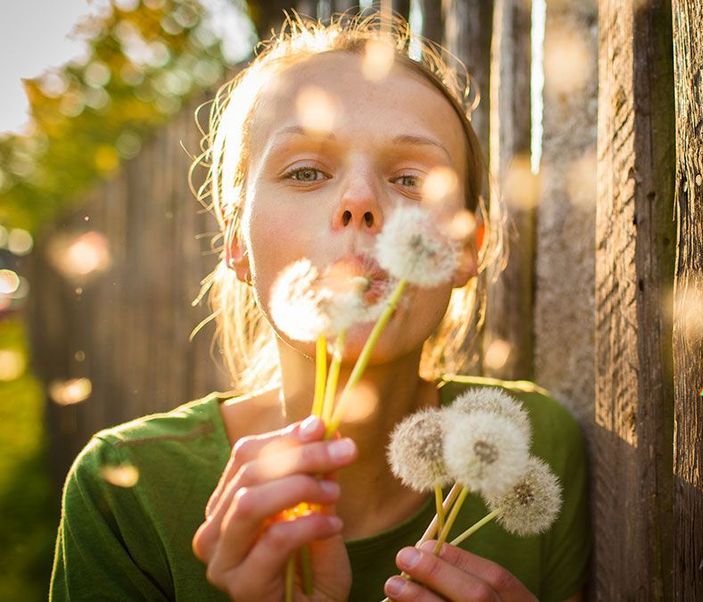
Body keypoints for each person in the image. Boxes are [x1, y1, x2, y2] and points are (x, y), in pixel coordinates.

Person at [49, 11, 590, 602]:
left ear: (467, 247)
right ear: (236, 242)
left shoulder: (539, 447)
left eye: (411, 180)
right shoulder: (125, 494)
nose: (360, 201)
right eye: (306, 171)